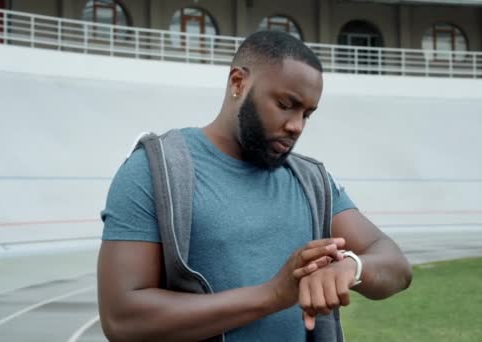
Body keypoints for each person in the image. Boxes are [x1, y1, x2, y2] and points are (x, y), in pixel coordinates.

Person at [97, 31, 412, 341]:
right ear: (238, 83)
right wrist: (272, 295)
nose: (296, 125)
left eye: (307, 113)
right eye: (286, 104)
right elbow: (122, 319)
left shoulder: (311, 179)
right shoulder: (154, 170)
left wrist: (351, 268)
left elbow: (395, 265)